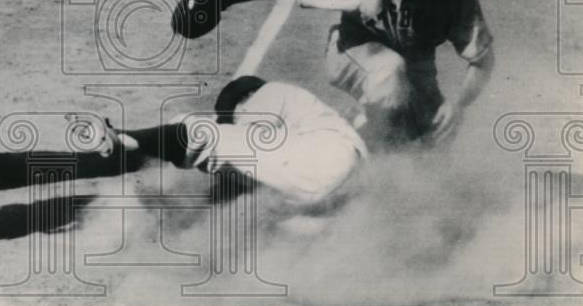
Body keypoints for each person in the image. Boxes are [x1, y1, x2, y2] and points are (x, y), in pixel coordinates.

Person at [221, 0, 494, 147]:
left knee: (434, 138)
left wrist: (457, 105)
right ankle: (358, 149)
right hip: (351, 52)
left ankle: (356, 124)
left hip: (414, 67)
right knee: (389, 78)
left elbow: (482, 60)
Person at [71, 76, 367, 210]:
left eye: (232, 116)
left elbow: (233, 147)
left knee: (200, 132)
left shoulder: (270, 94)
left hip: (323, 166)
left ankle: (125, 137)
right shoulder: (307, 121)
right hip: (337, 191)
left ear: (245, 98)